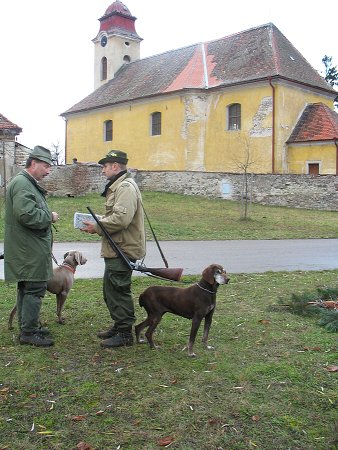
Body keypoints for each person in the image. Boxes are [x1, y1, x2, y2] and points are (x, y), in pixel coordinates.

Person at [82, 150, 146, 348]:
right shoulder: (118, 186)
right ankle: (119, 326)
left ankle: (125, 333)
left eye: (105, 166)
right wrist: (99, 221)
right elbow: (117, 216)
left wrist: (97, 226)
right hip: (117, 247)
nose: (103, 171)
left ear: (115, 167)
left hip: (122, 248)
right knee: (110, 290)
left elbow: (121, 219)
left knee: (118, 290)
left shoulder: (125, 187)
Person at [4, 146, 59, 347]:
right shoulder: (22, 184)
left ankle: (29, 326)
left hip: (28, 248)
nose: (48, 171)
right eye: (45, 166)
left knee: (27, 288)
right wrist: (49, 217)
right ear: (33, 163)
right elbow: (26, 215)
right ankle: (28, 333)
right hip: (29, 250)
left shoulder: (26, 183)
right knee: (34, 288)